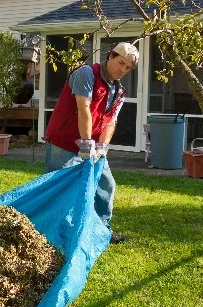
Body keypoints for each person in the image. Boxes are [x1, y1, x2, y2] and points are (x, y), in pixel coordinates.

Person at [44, 42, 138, 244]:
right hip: (64, 141)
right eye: (120, 63)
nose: (122, 69)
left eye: (128, 67)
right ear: (110, 57)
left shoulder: (119, 91)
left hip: (93, 145)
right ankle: (53, 233)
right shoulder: (87, 73)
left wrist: (102, 146)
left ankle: (101, 230)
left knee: (106, 184)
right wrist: (86, 143)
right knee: (59, 187)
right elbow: (83, 109)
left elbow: (110, 121)